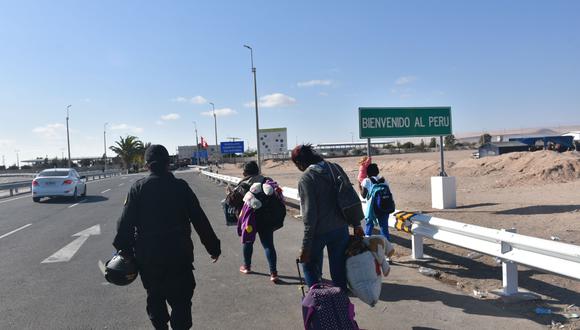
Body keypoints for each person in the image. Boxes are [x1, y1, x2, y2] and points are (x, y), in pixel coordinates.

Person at [113, 144, 221, 330]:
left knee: (155, 297)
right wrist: (213, 247)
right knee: (181, 302)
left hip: (149, 259)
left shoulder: (138, 189)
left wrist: (125, 251)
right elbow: (199, 220)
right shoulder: (181, 187)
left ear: (147, 165)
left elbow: (124, 225)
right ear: (168, 163)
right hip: (180, 256)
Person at [291, 144, 364, 290]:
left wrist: (306, 247)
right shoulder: (335, 168)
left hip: (319, 232)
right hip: (340, 229)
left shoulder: (307, 178)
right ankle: (341, 302)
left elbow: (310, 217)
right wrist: (356, 224)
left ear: (300, 163)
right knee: (338, 269)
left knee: (309, 266)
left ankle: (319, 302)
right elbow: (349, 197)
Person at [233, 161, 280, 283]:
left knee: (247, 242)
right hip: (266, 219)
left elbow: (233, 202)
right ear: (258, 170)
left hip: (249, 220)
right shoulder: (267, 181)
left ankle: (247, 267)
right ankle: (273, 273)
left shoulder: (242, 184)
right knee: (268, 245)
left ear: (245, 172)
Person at [360, 163, 391, 242]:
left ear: (368, 172)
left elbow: (363, 195)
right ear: (377, 171)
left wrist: (359, 186)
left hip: (372, 208)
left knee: (369, 228)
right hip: (384, 206)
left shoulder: (367, 181)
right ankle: (386, 249)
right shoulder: (383, 180)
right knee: (384, 229)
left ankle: (366, 246)